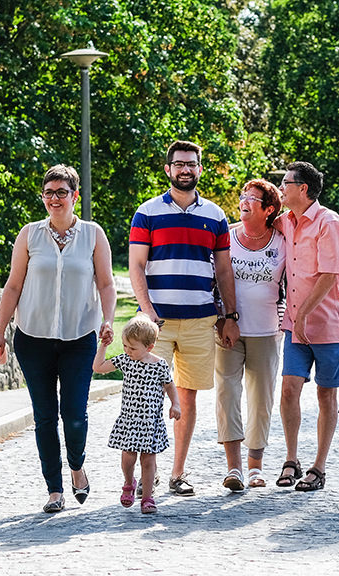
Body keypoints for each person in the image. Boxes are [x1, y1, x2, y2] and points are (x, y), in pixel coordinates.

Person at [0, 164, 117, 513]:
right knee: (45, 416)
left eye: (62, 192)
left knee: (74, 414)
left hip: (79, 338)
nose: (54, 199)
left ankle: (77, 465)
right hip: (33, 338)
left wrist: (107, 320)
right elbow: (13, 285)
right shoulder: (29, 235)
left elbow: (106, 283)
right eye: (49, 193)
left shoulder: (93, 235)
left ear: (75, 196)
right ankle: (54, 490)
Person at [129, 140, 239, 496]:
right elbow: (136, 266)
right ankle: (150, 473)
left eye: (191, 164)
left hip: (199, 320)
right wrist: (148, 312)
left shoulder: (216, 215)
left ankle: (177, 473)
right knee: (147, 397)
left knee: (186, 400)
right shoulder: (146, 213)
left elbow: (224, 270)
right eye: (178, 164)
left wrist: (229, 315)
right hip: (155, 324)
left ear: (199, 169)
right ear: (168, 170)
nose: (185, 169)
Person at [274, 161, 339, 492]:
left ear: (302, 188)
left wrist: (304, 314)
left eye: (285, 183)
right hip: (295, 325)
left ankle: (318, 467)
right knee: (290, 388)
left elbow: (330, 275)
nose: (281, 188)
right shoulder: (285, 222)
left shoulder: (329, 223)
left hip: (328, 326)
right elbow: (249, 227)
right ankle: (291, 459)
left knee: (325, 394)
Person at [214, 179, 286, 490]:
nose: (243, 201)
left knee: (261, 398)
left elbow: (305, 272)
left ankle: (255, 466)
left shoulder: (284, 240)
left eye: (252, 198)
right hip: (228, 329)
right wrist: (221, 319)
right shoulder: (226, 237)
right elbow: (213, 278)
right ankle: (234, 468)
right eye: (243, 196)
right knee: (227, 393)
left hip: (267, 331)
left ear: (269, 209)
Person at [94, 315, 183, 514]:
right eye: (125, 346)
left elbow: (170, 385)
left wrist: (175, 404)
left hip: (151, 422)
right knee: (128, 457)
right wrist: (103, 346)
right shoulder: (125, 360)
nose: (127, 351)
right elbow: (98, 368)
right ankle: (128, 483)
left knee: (148, 460)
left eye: (132, 348)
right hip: (130, 420)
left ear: (149, 347)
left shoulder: (159, 364)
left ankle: (148, 497)